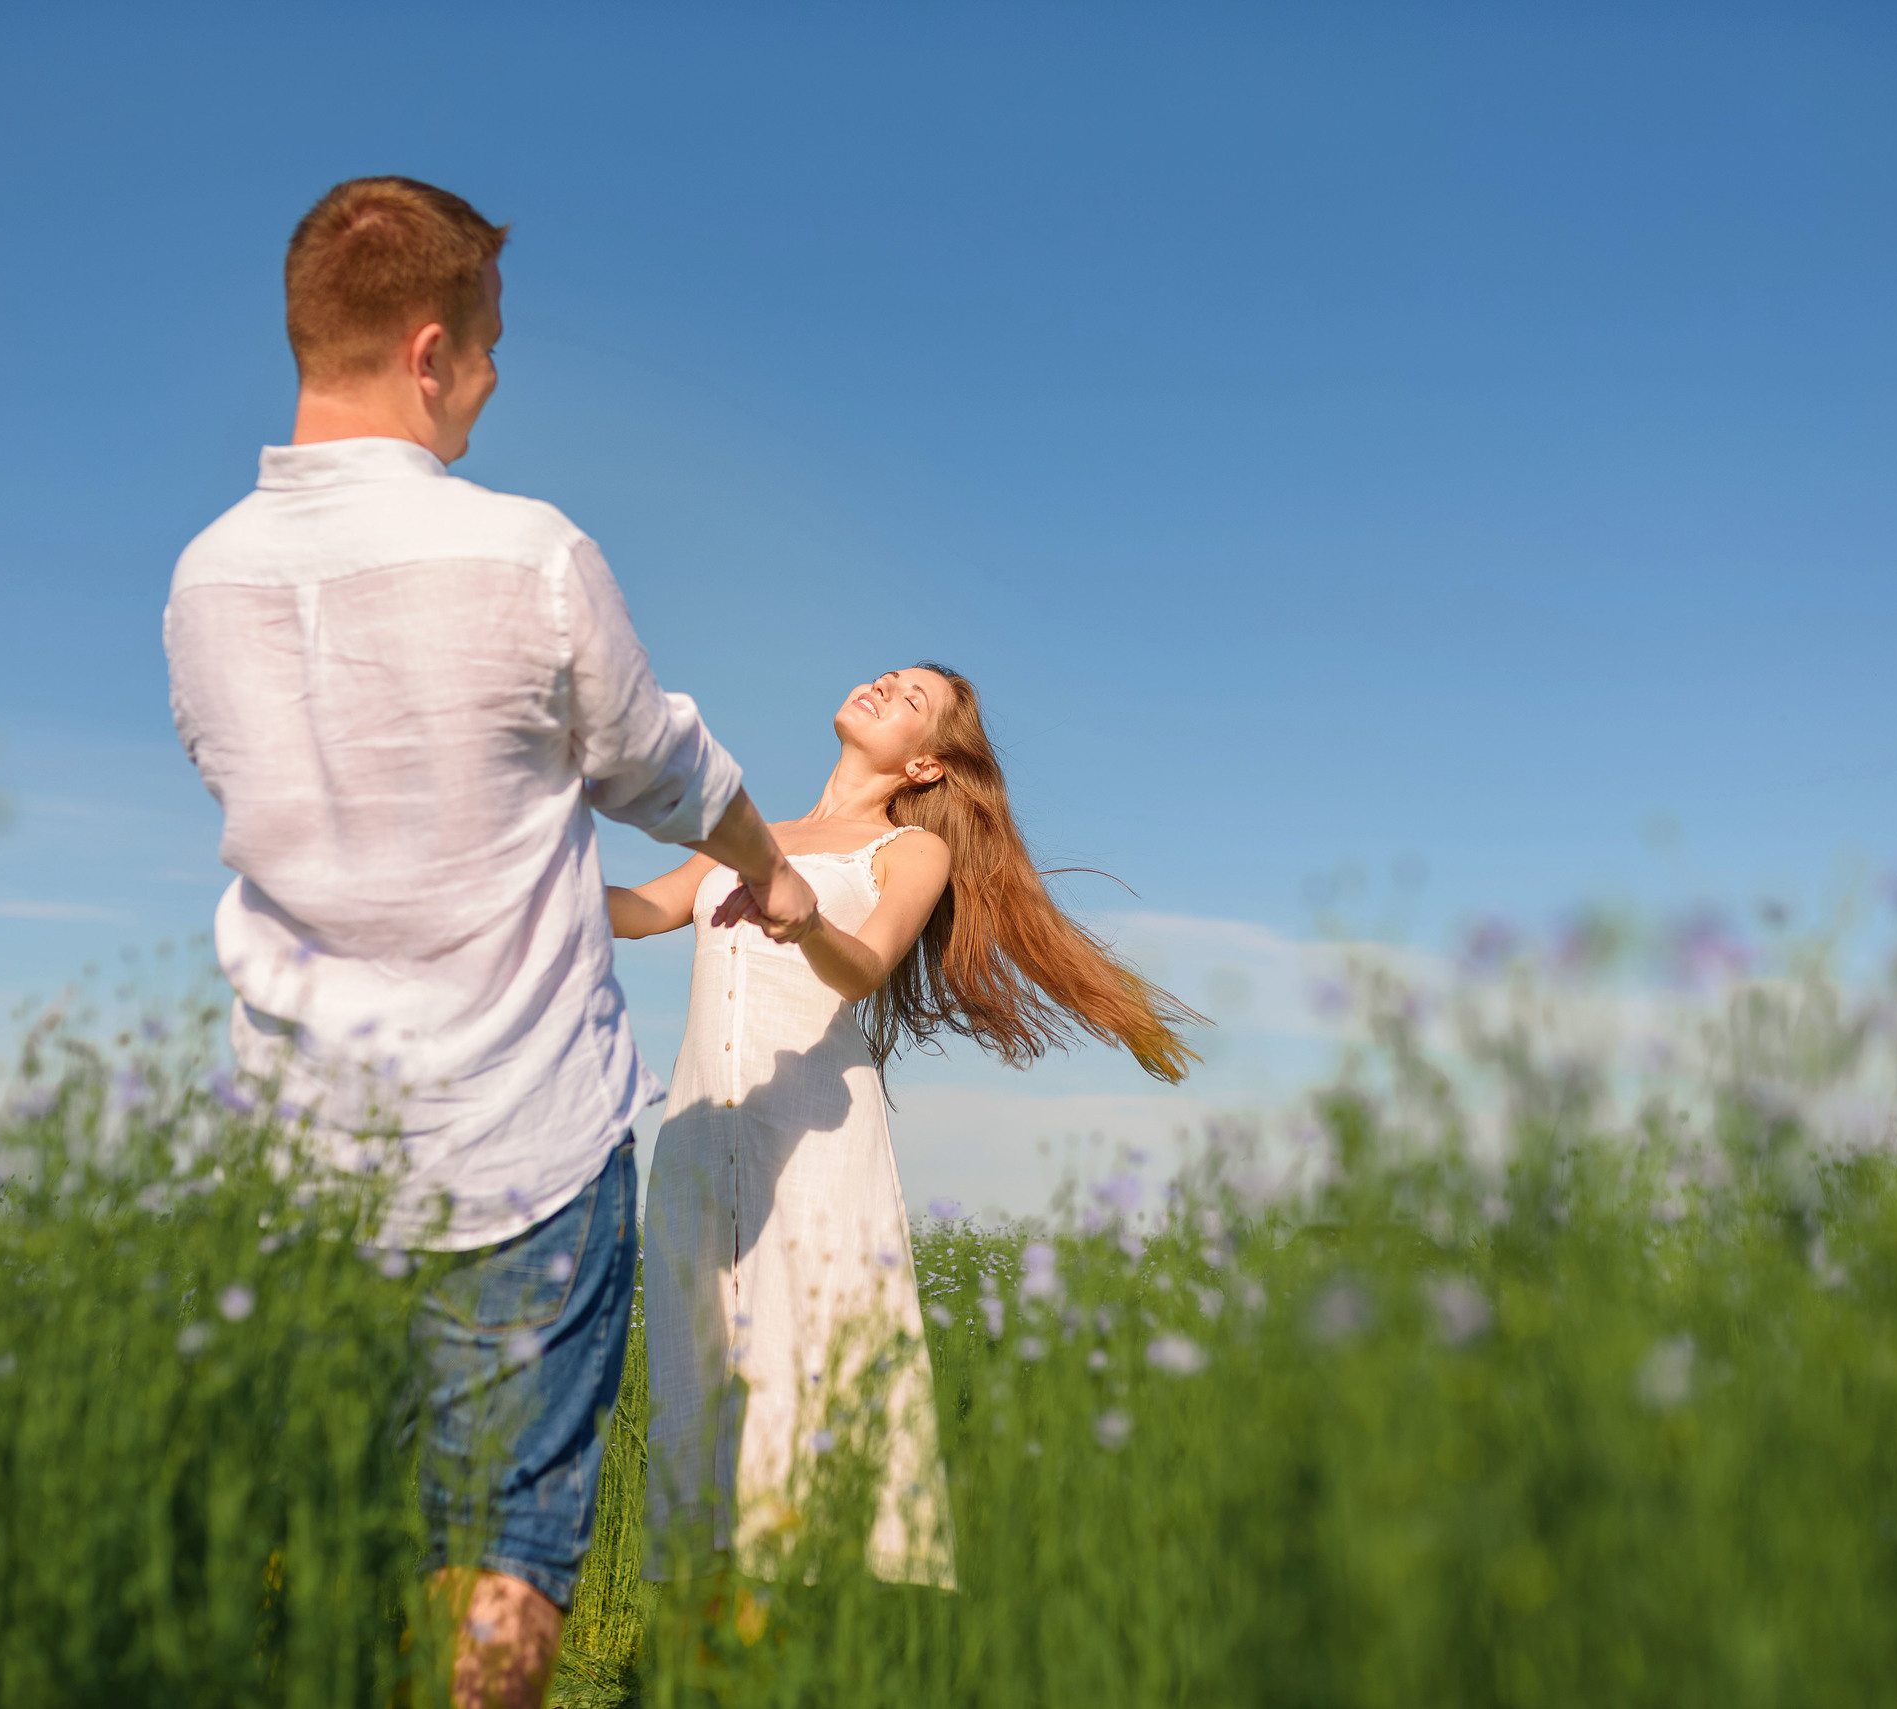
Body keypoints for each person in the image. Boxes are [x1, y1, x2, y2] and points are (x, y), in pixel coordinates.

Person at [164, 176, 819, 1709]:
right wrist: (771, 875)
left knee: (332, 1543)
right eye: (496, 348)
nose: (499, 380)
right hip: (519, 1148)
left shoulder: (202, 581)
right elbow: (658, 761)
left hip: (305, 1151)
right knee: (499, 1562)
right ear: (433, 349)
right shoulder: (527, 551)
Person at [609, 663, 1200, 1588]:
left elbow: (865, 966)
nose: (884, 685)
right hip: (693, 1145)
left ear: (926, 765)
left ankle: (815, 1640)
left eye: (912, 697)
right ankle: (707, 1654)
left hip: (809, 1148)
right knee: (697, 1385)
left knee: (801, 1385)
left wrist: (804, 919)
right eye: (888, 675)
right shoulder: (745, 835)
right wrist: (532, 878)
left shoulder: (905, 852)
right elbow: (643, 912)